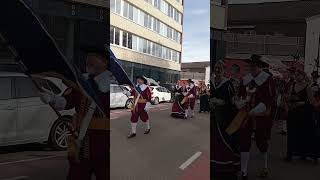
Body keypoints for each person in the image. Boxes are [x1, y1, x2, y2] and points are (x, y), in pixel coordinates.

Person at [41, 47, 109, 180]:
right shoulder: (81, 83)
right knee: (76, 175)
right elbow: (67, 101)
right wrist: (52, 98)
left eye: (93, 57)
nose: (88, 61)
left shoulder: (109, 85)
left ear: (104, 62)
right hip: (79, 143)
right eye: (88, 58)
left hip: (104, 146)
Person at [237, 55, 275, 179]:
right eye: (251, 65)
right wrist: (240, 103)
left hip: (261, 116)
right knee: (244, 141)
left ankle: (264, 167)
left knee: (261, 142)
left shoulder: (268, 79)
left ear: (260, 66)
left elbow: (270, 98)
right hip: (245, 115)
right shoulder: (245, 79)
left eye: (256, 65)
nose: (253, 67)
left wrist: (258, 109)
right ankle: (244, 171)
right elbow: (240, 95)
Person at [210, 61, 239, 178]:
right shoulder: (211, 82)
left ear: (224, 70)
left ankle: (224, 162)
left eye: (219, 68)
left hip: (224, 116)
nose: (217, 70)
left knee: (223, 139)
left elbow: (231, 101)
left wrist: (221, 102)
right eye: (216, 68)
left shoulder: (228, 84)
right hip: (212, 115)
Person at [285, 69, 320, 163]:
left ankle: (306, 154)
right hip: (293, 113)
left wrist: (315, 105)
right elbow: (288, 97)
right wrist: (289, 99)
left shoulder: (307, 86)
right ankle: (290, 154)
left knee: (305, 133)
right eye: (296, 75)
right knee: (292, 133)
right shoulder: (292, 85)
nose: (297, 76)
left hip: (304, 113)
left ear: (303, 76)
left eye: (299, 75)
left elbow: (311, 100)